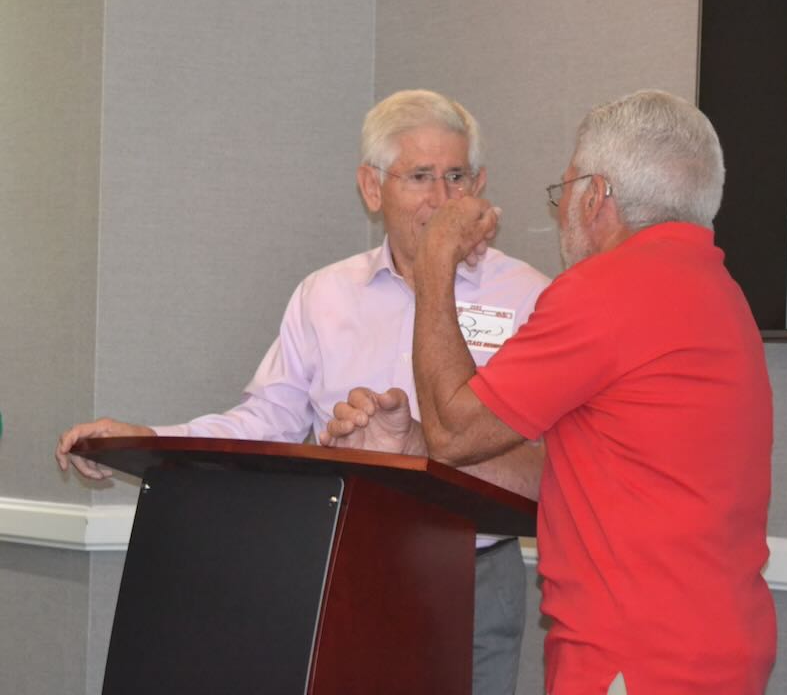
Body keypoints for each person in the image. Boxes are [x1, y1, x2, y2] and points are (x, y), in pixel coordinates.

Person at [55, 89, 550, 695]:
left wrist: (421, 443)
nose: (443, 200)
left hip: (473, 578)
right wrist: (148, 439)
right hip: (341, 570)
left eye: (456, 177)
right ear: (372, 188)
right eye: (421, 176)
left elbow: (549, 462)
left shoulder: (528, 297)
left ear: (480, 185)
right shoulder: (325, 295)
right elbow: (267, 419)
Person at [336, 90, 776, 694]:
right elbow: (562, 476)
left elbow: (455, 431)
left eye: (563, 187)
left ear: (595, 196)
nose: (562, 205)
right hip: (714, 647)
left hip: (637, 657)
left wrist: (436, 256)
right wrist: (412, 441)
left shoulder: (608, 289)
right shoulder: (718, 290)